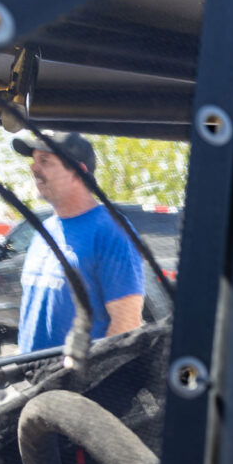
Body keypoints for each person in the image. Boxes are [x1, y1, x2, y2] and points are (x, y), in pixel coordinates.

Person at [11, 131, 144, 353]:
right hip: (33, 380)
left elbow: (126, 325)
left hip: (75, 384)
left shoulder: (111, 231)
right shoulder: (44, 229)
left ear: (79, 172)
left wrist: (85, 381)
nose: (34, 168)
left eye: (45, 161)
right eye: (34, 160)